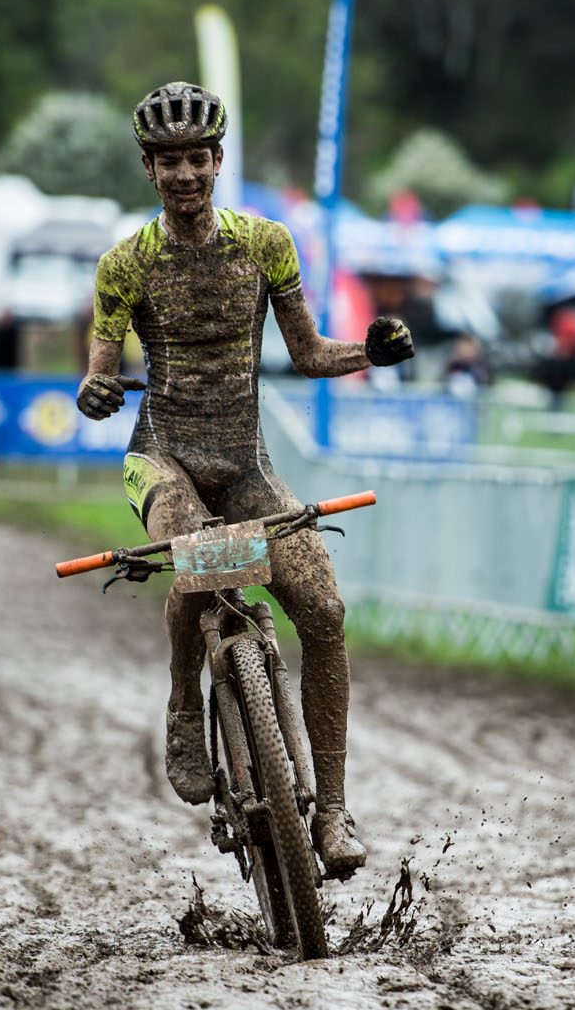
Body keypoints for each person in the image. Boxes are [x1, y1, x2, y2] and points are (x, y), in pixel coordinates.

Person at [74, 81, 413, 879]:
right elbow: (99, 374)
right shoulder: (125, 263)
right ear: (148, 171)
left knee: (324, 609)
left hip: (247, 464)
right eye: (169, 162)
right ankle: (186, 706)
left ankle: (331, 810)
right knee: (199, 554)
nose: (186, 175)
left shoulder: (266, 244)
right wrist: (94, 391)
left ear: (219, 161)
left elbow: (308, 354)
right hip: (160, 457)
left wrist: (371, 351)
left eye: (198, 159)